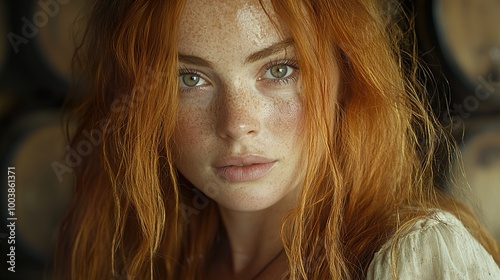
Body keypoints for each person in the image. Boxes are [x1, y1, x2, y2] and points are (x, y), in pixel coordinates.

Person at [55, 0, 500, 279]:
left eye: (279, 70)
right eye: (190, 78)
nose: (236, 123)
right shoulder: (141, 259)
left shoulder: (412, 260)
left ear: (346, 75)